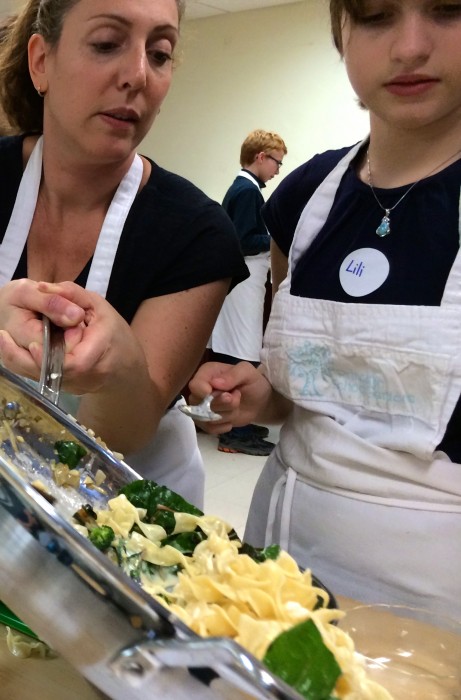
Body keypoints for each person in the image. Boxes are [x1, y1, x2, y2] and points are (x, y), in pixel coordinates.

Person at [189, 0, 461, 620]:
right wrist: (261, 395)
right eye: (375, 15)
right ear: (342, 30)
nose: (410, 45)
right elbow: (304, 391)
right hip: (276, 577)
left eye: (448, 9)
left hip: (434, 614)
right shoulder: (307, 196)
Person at [0, 0, 248, 509]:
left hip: (122, 514)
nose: (138, 75)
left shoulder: (195, 232)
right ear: (41, 61)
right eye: (107, 44)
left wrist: (121, 371)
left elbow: (126, 429)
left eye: (159, 53)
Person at [208, 129, 287, 456]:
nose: (278, 170)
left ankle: (238, 422)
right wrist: (274, 237)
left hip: (245, 286)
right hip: (242, 286)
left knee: (242, 350)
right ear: (260, 157)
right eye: (277, 163)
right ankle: (234, 432)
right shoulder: (246, 192)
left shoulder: (247, 190)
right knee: (239, 354)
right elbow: (241, 240)